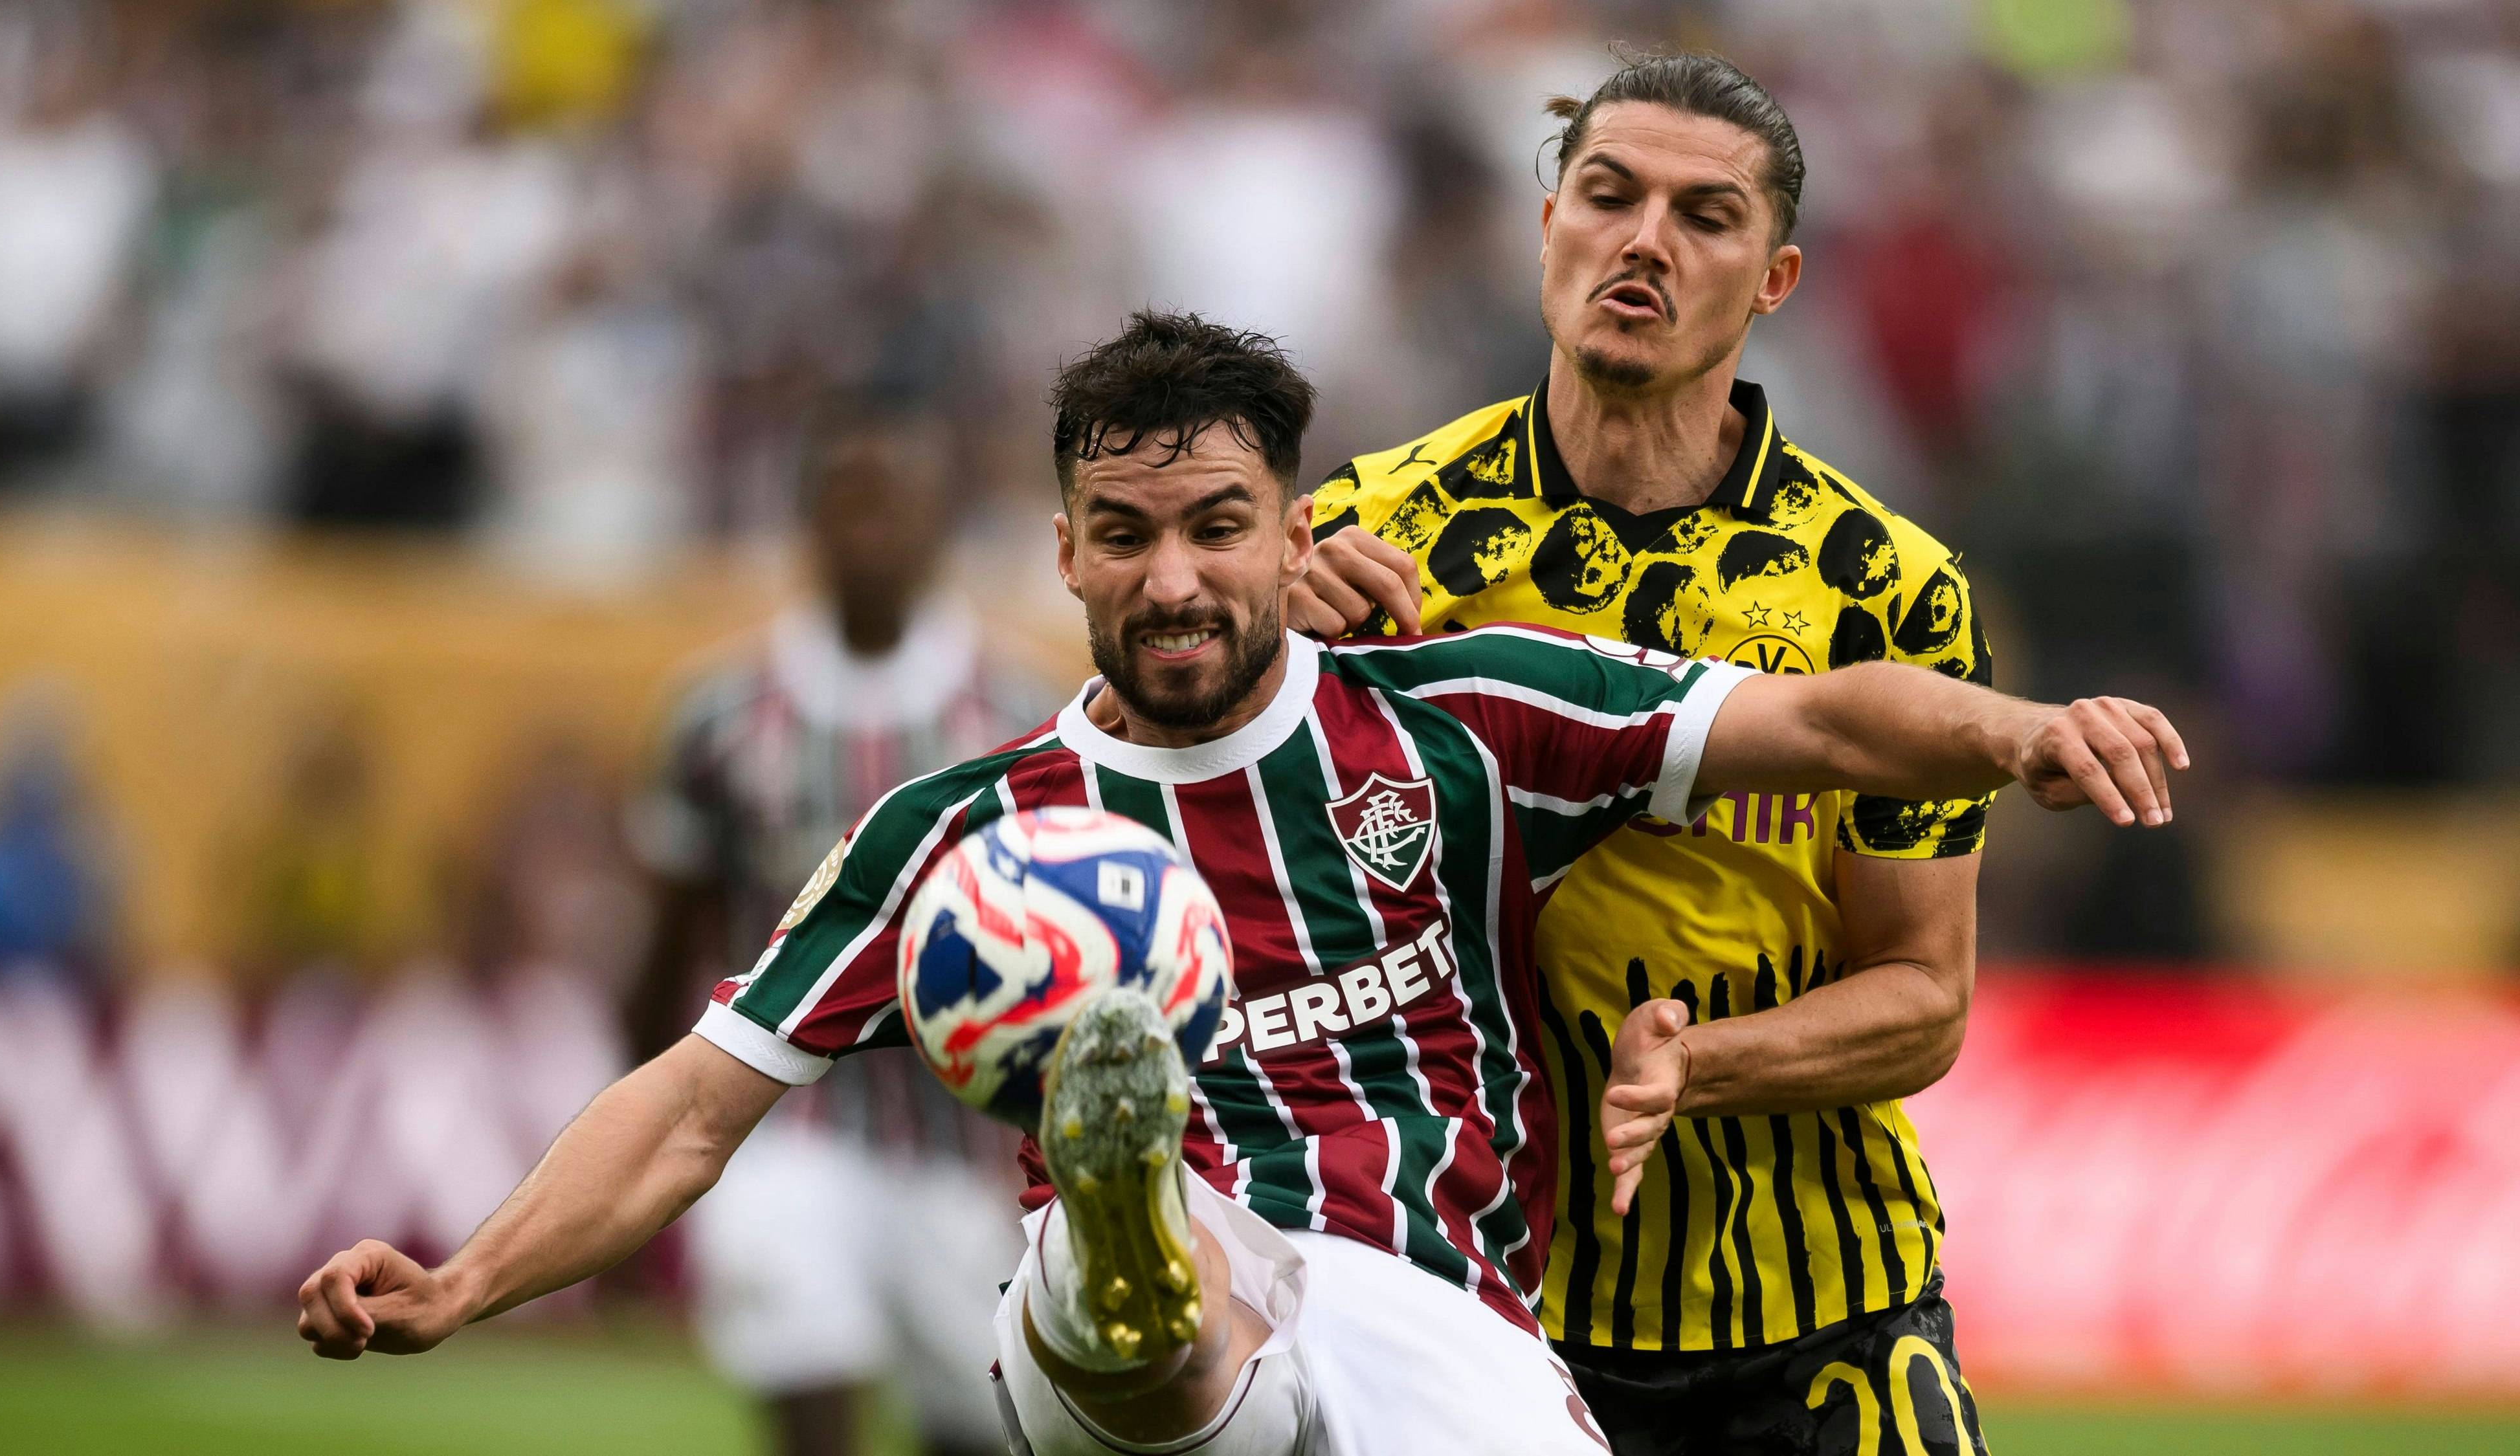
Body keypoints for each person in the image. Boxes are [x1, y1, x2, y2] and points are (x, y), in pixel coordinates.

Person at [296, 313, 2186, 1456]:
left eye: (1219, 529)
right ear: (1062, 552)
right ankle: (1128, 1219)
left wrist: (2018, 730)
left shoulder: (1459, 716)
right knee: (1168, 1331)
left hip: (1437, 1311)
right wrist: (467, 1278)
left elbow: (1828, 726)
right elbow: (696, 1103)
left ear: (1300, 530)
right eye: (1124, 538)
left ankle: (1138, 1230)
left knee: (1304, 1378)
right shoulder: (971, 830)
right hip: (1143, 1336)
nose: (1175, 578)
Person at [1287, 50, 2072, 1454]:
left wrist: (1701, 1063)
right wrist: (1256, 671)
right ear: (1547, 227)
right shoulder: (1366, 546)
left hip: (1822, 1314)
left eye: (1703, 216)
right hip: (1483, 1314)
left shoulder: (1882, 593)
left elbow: (1922, 997)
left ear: (1772, 280)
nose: (1642, 240)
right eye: (1607, 195)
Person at [625, 403, 1048, 1456]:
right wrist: (632, 1163)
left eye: (893, 500)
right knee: (807, 1381)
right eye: (847, 499)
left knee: (977, 1427)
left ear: (941, 519)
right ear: (808, 517)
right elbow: (667, 944)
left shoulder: (1022, 717)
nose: (870, 527)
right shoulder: (719, 717)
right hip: (782, 1130)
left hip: (967, 1153)